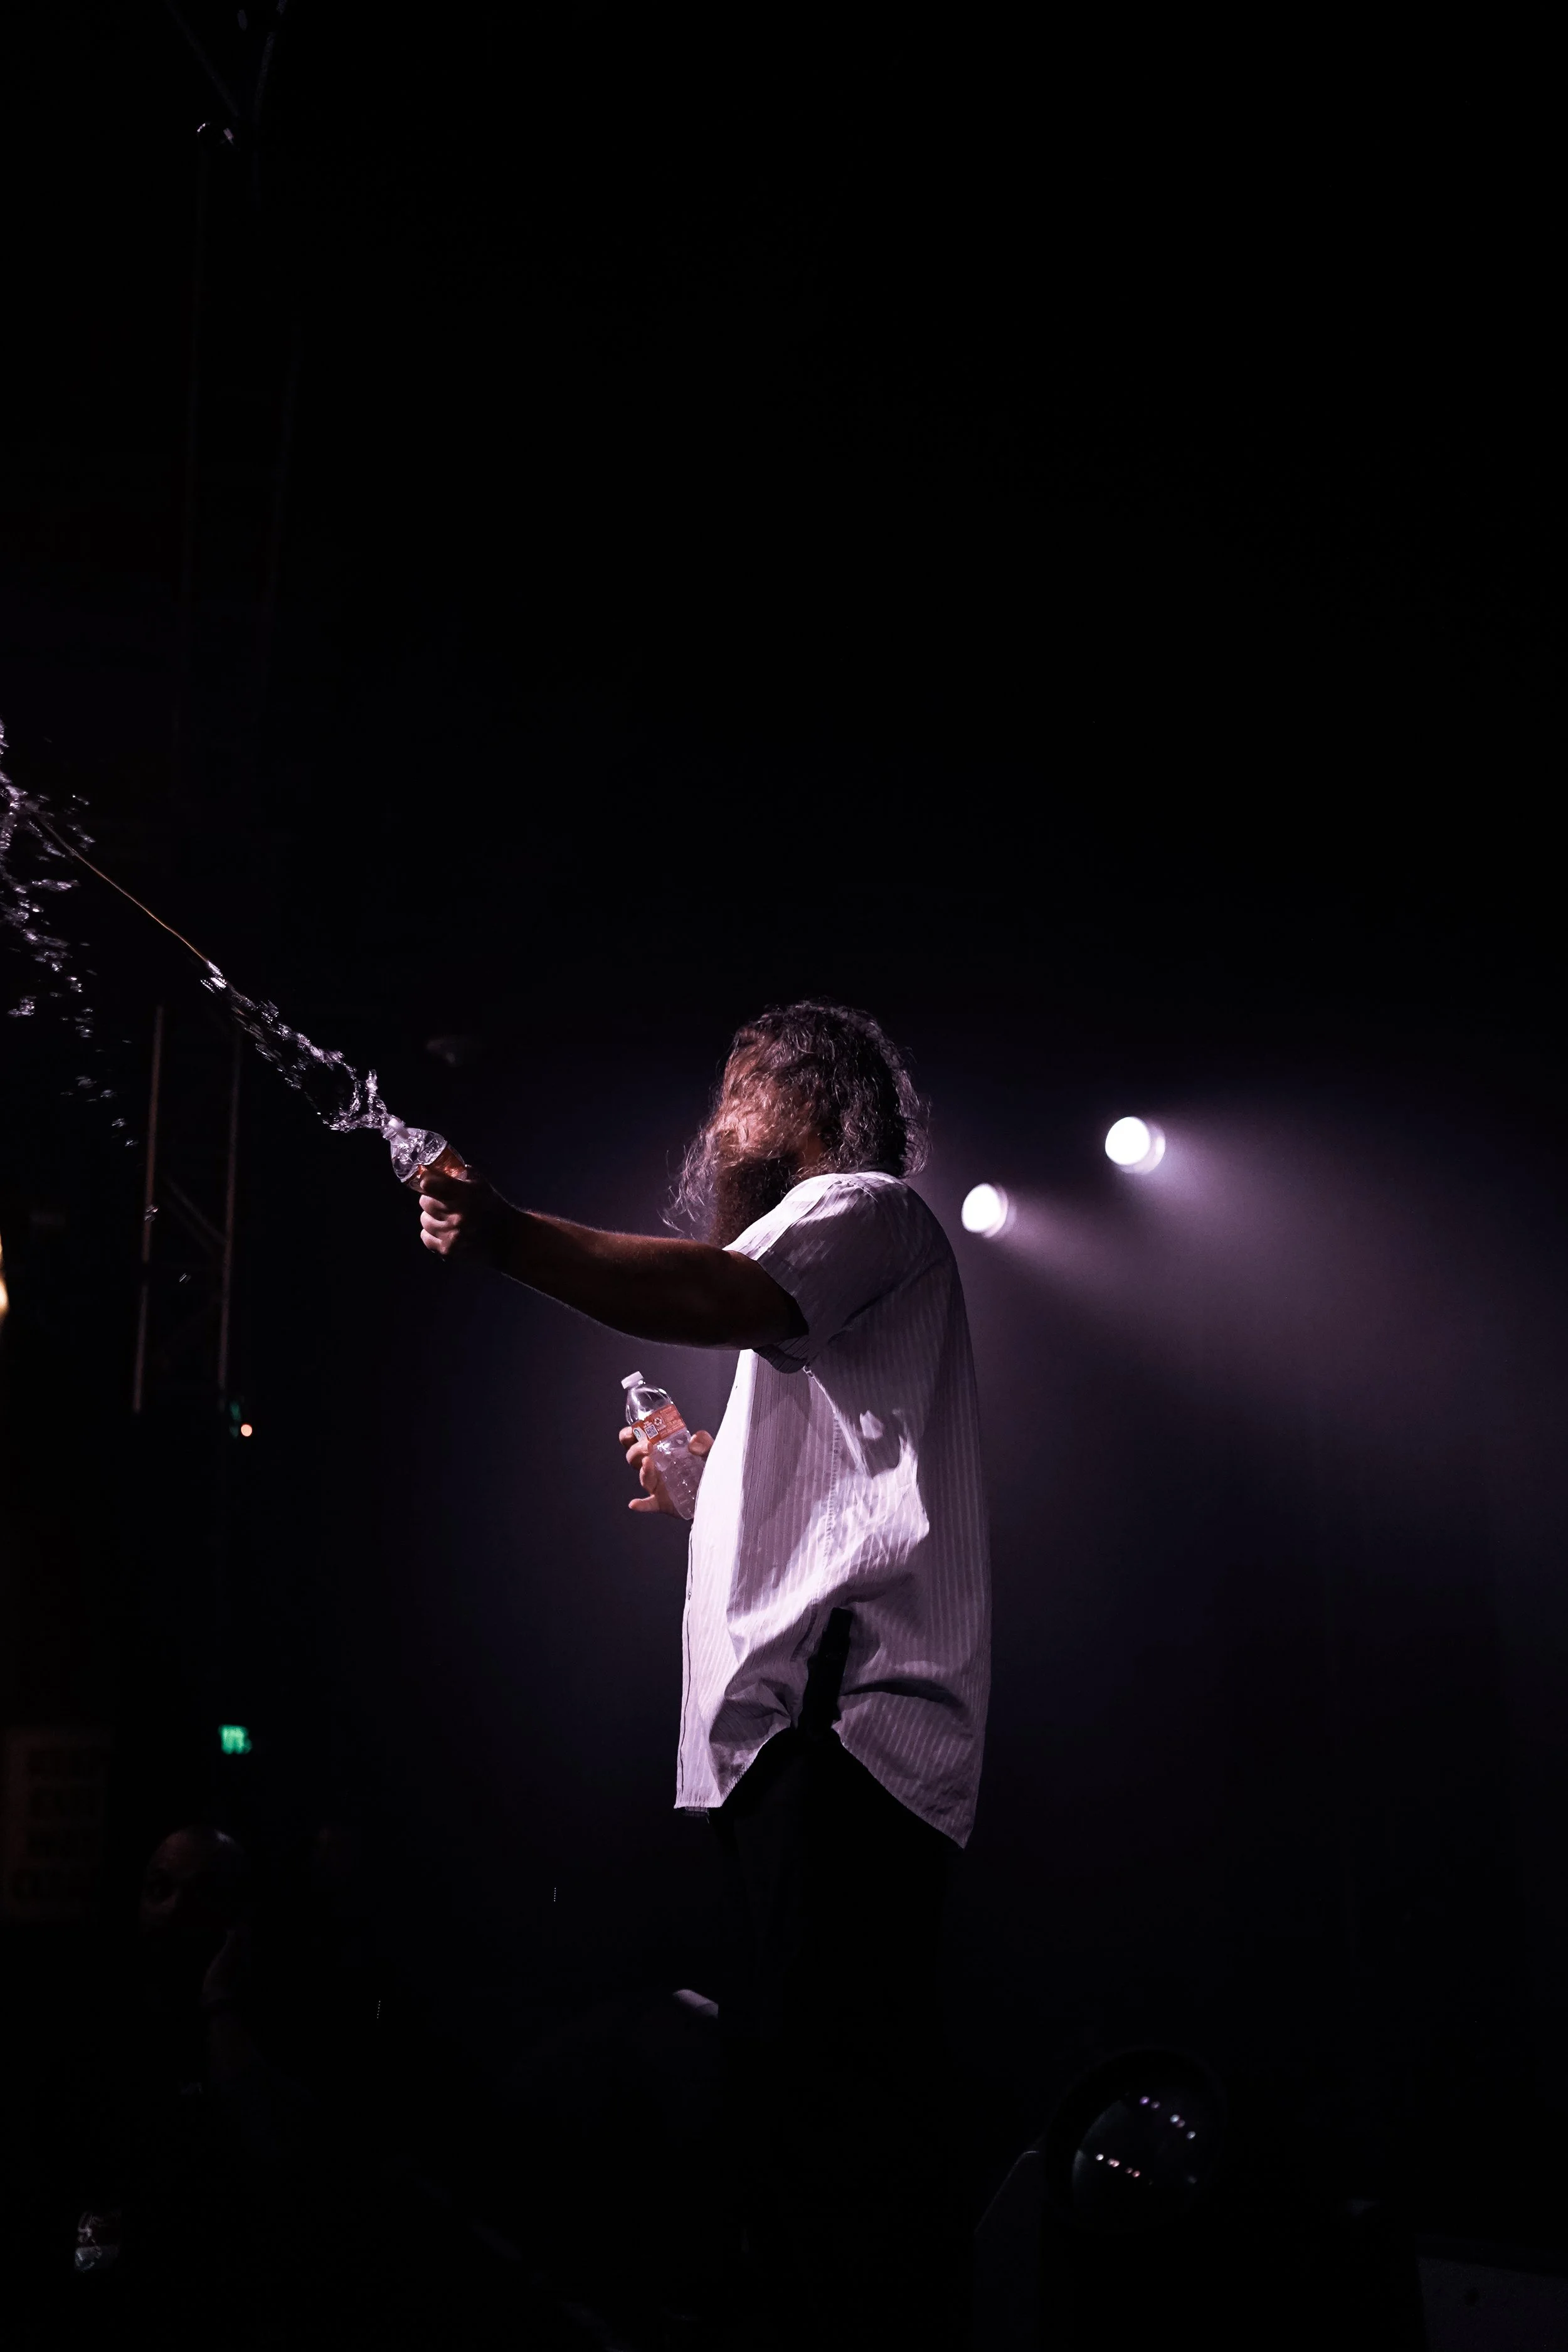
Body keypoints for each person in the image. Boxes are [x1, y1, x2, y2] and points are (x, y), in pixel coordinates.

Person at [417, 1000, 990, 2346]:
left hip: (842, 1742)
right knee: (794, 2128)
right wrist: (699, 1480)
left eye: (738, 1083)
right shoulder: (815, 1286)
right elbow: (830, 1494)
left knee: (835, 2147)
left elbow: (705, 1292)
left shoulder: (862, 1209)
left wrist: (508, 1236)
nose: (716, 1116)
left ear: (804, 1097)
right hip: (785, 1754)